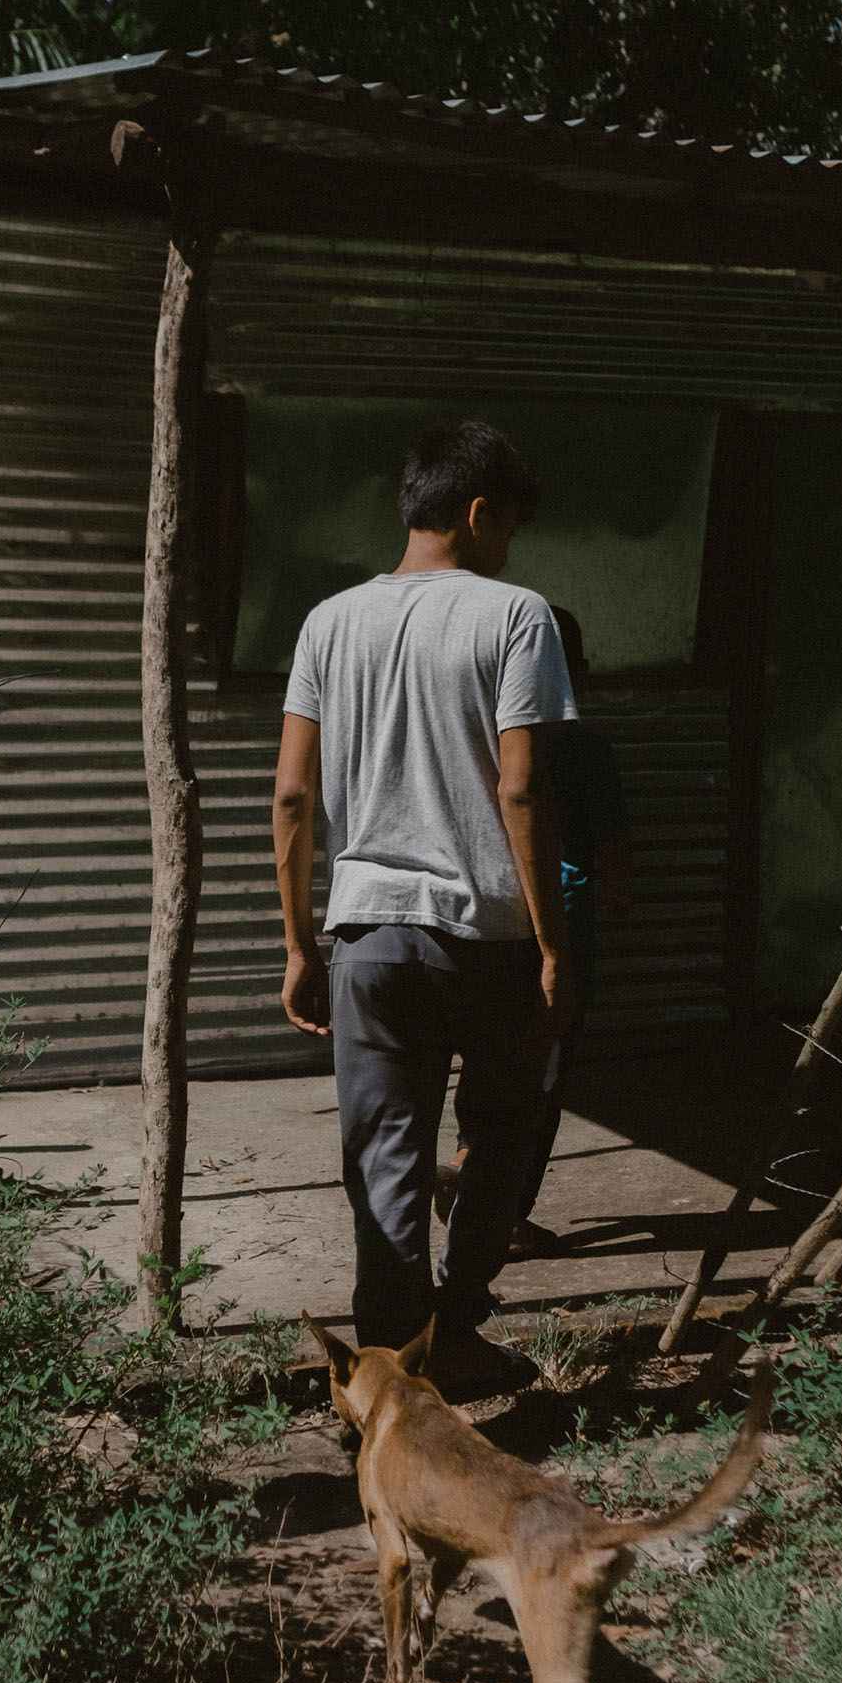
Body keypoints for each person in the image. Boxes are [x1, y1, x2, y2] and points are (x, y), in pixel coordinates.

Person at [269, 419, 575, 1393]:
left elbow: (291, 796)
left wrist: (299, 944)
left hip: (366, 932)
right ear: (479, 513)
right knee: (500, 1135)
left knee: (383, 1158)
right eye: (509, 526)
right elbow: (521, 788)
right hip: (487, 933)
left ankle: (392, 1373)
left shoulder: (328, 622)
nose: (509, 548)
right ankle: (457, 1327)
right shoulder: (517, 617)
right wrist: (553, 941)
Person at [439, 605, 631, 1254]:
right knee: (543, 1073)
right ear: (578, 672)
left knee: (490, 1058)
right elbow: (610, 853)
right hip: (562, 929)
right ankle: (501, 1208)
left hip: (488, 921)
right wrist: (614, 904)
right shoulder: (586, 749)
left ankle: (469, 1162)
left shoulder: (490, 741)